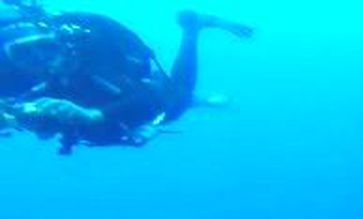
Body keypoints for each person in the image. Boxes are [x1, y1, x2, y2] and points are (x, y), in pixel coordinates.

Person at [0, 1, 252, 153]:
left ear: (61, 39)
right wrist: (11, 119)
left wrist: (93, 115)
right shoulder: (13, 74)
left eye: (45, 47)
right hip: (95, 102)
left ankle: (191, 29)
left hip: (132, 82)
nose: (39, 58)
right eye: (21, 53)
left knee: (176, 101)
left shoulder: (92, 51)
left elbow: (148, 100)